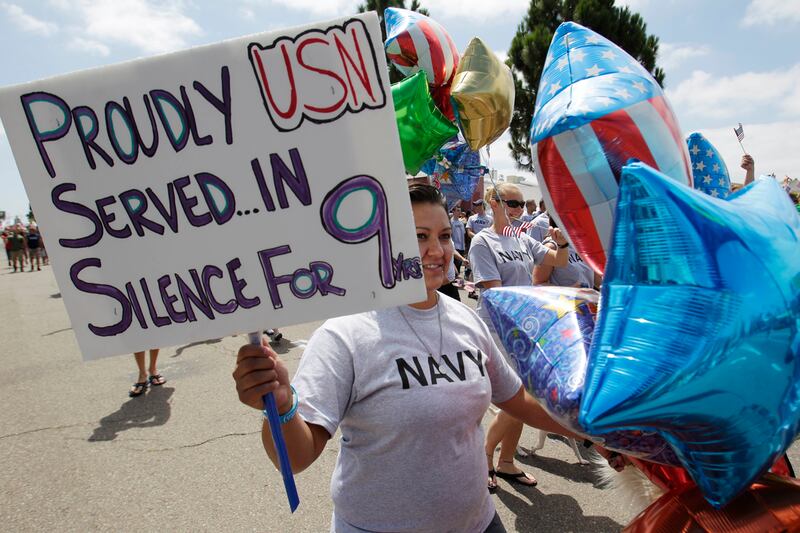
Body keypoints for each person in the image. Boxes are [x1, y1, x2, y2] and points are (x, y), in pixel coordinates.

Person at [233, 184, 578, 533]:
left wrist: (592, 431)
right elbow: (296, 458)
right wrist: (281, 407)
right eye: (418, 236)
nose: (437, 250)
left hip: (479, 522)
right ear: (383, 242)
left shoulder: (466, 320)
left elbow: (516, 399)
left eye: (445, 236)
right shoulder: (346, 333)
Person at [468, 183, 569, 491]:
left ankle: (506, 461)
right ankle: (485, 455)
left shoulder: (522, 238)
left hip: (524, 327)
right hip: (497, 328)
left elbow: (558, 261)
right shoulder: (483, 242)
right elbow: (496, 293)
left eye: (522, 204)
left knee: (524, 394)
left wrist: (562, 243)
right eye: (512, 203)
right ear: (494, 202)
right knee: (519, 395)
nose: (519, 209)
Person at [533, 218, 601, 290]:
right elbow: (537, 284)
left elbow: (596, 279)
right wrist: (569, 290)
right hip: (563, 297)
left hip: (587, 297)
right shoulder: (551, 247)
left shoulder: (582, 243)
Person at [451, 206, 466, 275]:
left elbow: (463, 234)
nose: (459, 212)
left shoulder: (461, 222)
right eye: (457, 210)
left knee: (459, 266)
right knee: (455, 266)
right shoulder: (451, 222)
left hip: (462, 247)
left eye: (459, 210)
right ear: (453, 211)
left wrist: (464, 246)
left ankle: (458, 279)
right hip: (455, 247)